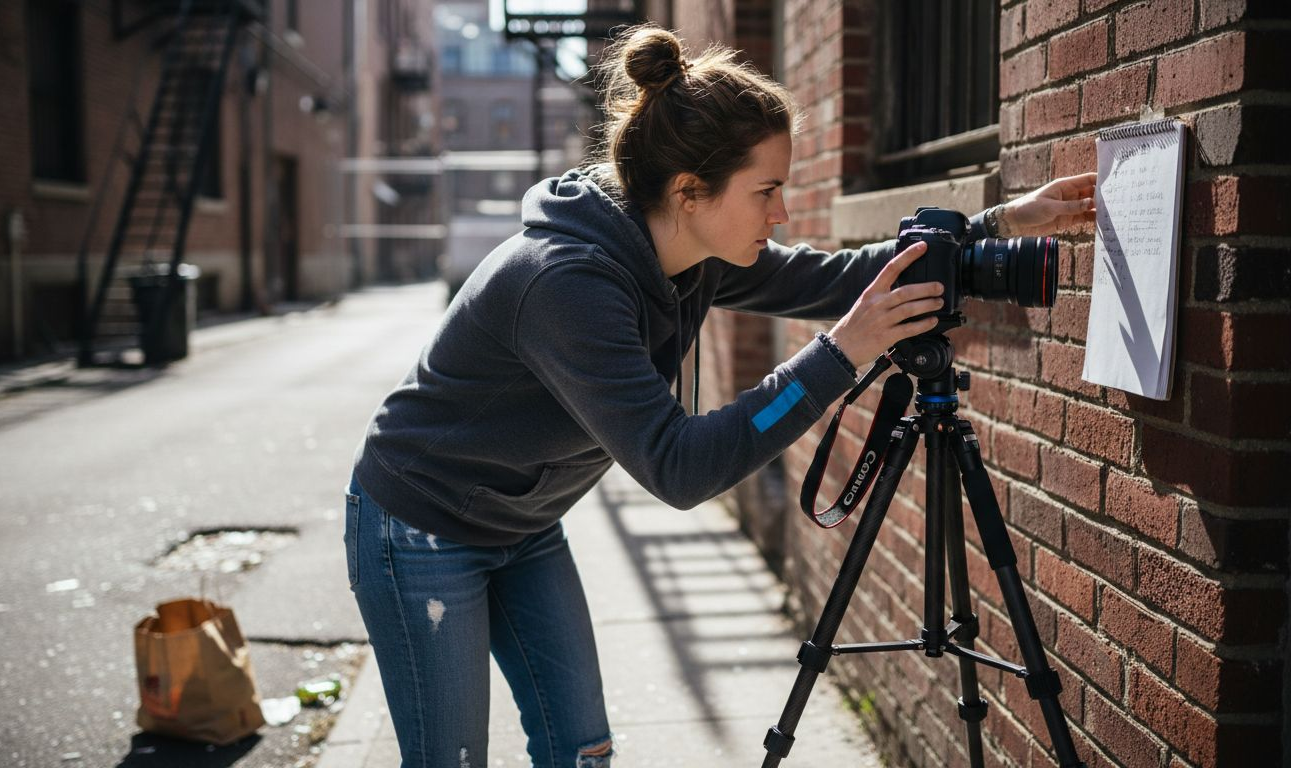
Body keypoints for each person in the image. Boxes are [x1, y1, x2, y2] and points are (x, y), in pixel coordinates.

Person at [343, 24, 1096, 768]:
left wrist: (992, 225)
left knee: (582, 751)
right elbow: (681, 467)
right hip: (421, 523)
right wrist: (841, 354)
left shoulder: (691, 250)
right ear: (689, 191)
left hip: (524, 521)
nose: (782, 213)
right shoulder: (565, 285)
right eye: (767, 190)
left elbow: (833, 279)